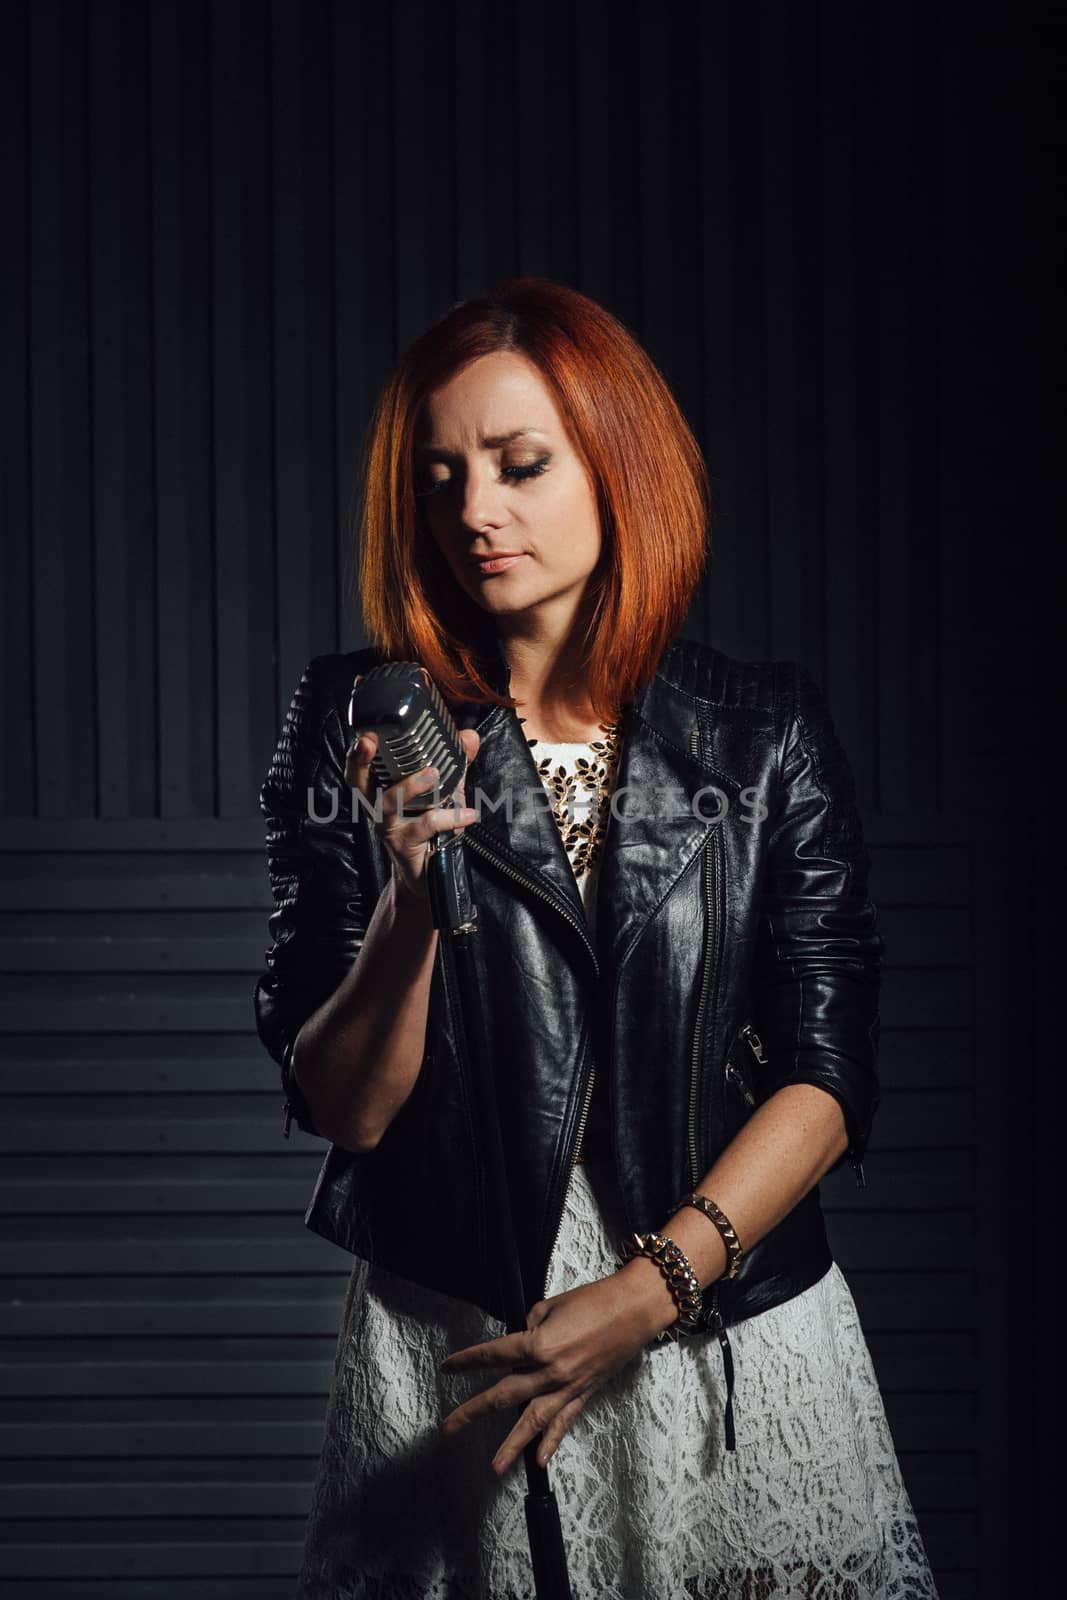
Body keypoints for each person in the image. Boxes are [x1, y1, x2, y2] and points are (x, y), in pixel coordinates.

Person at [254, 278, 940, 1599]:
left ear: (619, 465)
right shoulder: (357, 720)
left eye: (520, 465)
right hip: (465, 1320)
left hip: (716, 1315)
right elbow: (343, 1105)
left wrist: (643, 1295)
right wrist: (411, 900)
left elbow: (829, 1070)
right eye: (441, 476)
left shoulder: (763, 732)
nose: (473, 511)